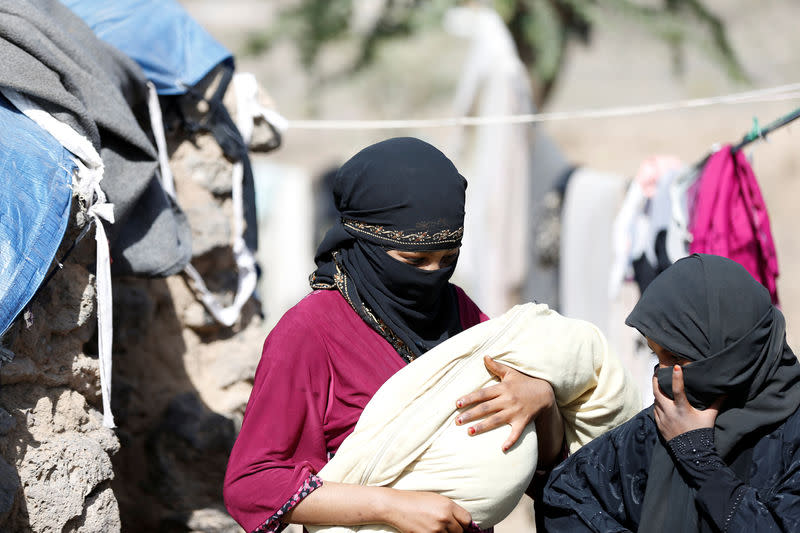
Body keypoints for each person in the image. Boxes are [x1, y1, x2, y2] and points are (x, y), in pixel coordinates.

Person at [223, 137, 565, 533]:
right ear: (364, 242)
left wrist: (542, 402)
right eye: (414, 260)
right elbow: (251, 484)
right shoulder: (310, 332)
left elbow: (548, 468)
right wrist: (390, 507)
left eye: (447, 259)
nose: (432, 275)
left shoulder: (460, 313)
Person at [541, 253, 800, 532]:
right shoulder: (665, 423)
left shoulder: (791, 435)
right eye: (656, 356)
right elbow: (563, 497)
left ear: (731, 352)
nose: (662, 377)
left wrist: (701, 461)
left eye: (675, 357)